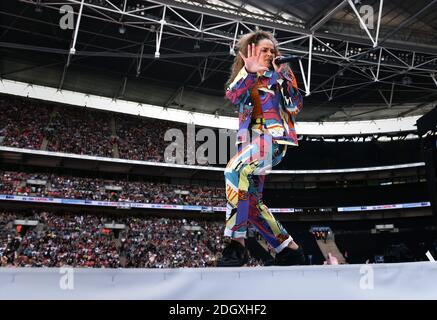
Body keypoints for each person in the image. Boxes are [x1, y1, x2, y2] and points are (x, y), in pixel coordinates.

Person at [218, 29, 304, 267]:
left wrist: (283, 78)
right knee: (251, 203)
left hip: (272, 140)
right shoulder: (246, 76)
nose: (269, 54)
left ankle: (236, 244)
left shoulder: (282, 75)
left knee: (232, 171)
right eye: (263, 50)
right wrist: (248, 71)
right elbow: (232, 95)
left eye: (272, 50)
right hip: (249, 143)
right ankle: (288, 248)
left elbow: (295, 106)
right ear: (251, 53)